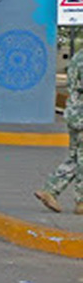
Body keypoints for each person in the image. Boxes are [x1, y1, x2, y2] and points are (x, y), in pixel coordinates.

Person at [36, 50, 83, 214]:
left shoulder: (78, 56)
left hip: (74, 113)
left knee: (75, 158)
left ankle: (50, 191)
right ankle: (81, 202)